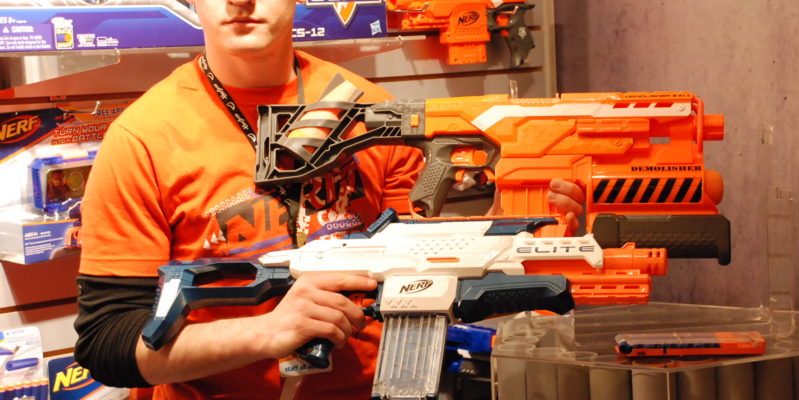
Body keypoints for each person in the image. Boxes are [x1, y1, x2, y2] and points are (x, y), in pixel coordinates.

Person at [73, 0, 585, 399]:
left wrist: (510, 236)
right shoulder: (143, 138)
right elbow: (108, 342)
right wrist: (267, 332)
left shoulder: (374, 112)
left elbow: (422, 270)